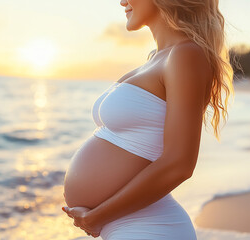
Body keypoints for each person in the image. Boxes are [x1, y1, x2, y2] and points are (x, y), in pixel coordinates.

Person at [61, 0, 234, 239]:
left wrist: (97, 217)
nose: (122, 1)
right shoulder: (158, 57)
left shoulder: (186, 54)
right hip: (129, 225)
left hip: (150, 227)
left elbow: (179, 164)